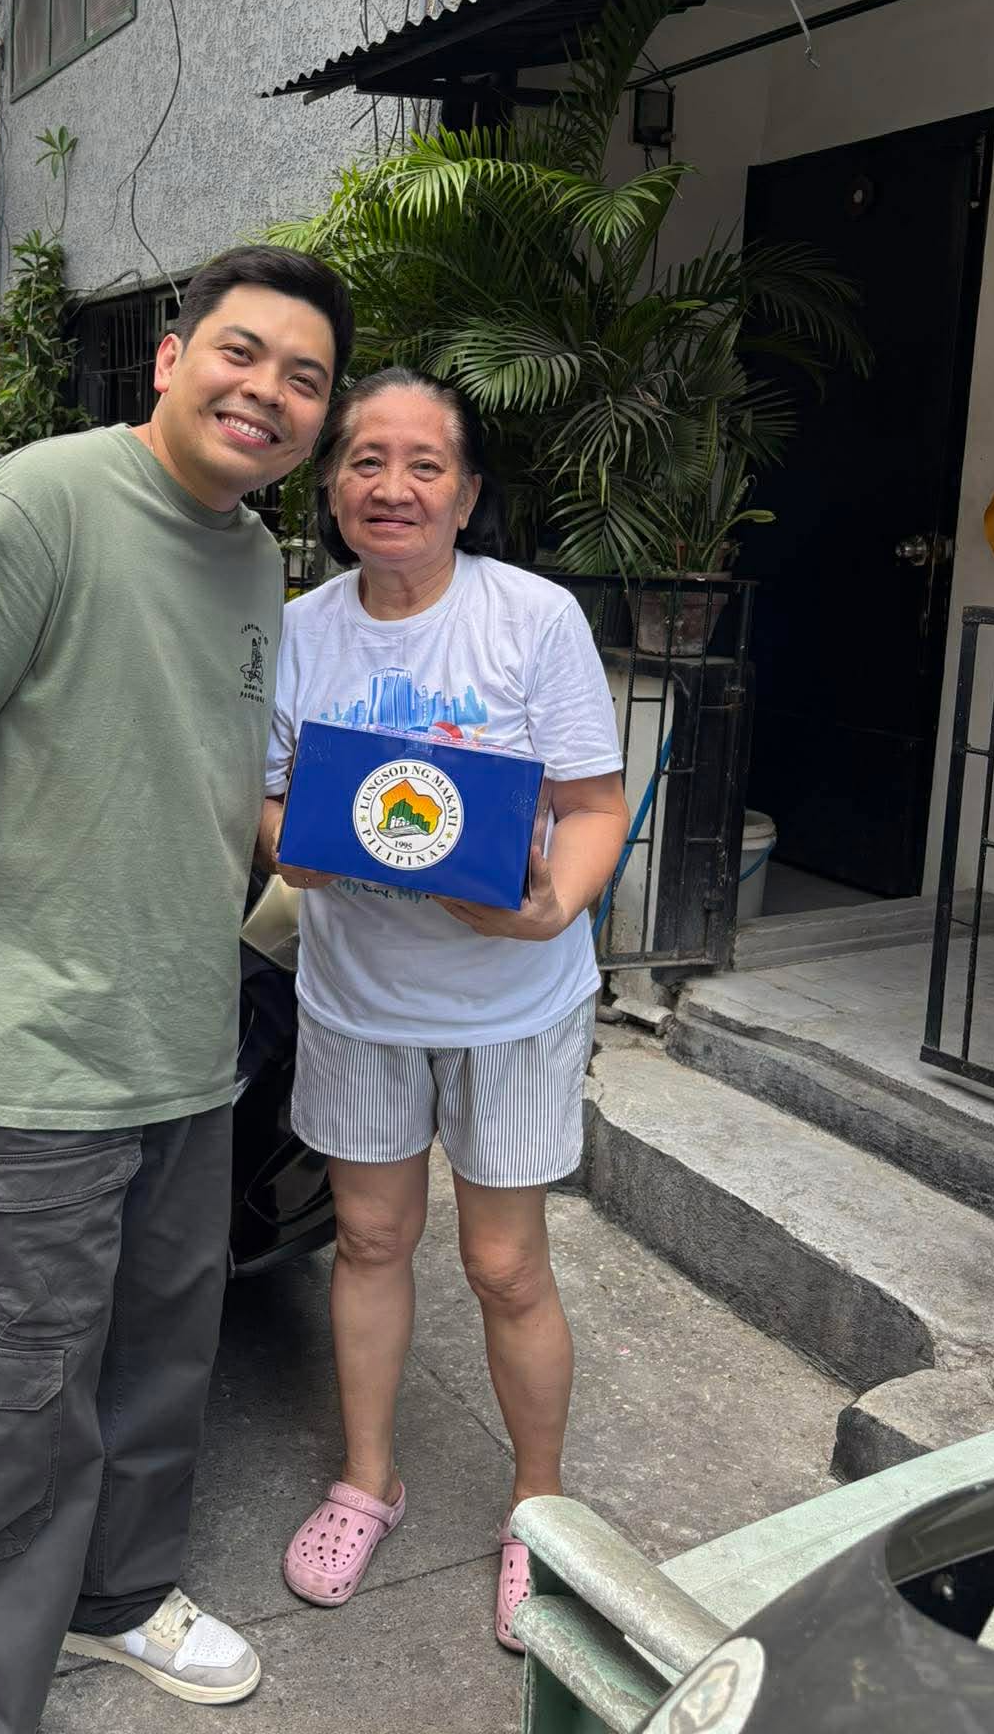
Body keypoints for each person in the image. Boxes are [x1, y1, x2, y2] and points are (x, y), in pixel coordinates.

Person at [0, 245, 351, 1734]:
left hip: (187, 1039)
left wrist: (353, 834)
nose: (267, 393)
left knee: (157, 1359)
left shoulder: (256, 555)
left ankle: (120, 1603)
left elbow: (210, 779)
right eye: (242, 355)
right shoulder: (41, 502)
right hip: (33, 1046)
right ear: (172, 358)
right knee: (12, 1396)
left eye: (303, 378)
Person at [258, 365, 629, 1650]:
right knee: (366, 1241)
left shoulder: (534, 619)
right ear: (332, 484)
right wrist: (292, 847)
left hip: (515, 997)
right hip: (360, 997)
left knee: (504, 1261)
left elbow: (593, 804)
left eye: (426, 464)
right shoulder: (300, 628)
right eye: (367, 459)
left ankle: (538, 1507)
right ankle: (371, 1478)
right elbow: (272, 804)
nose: (394, 486)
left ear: (467, 492)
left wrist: (547, 909)